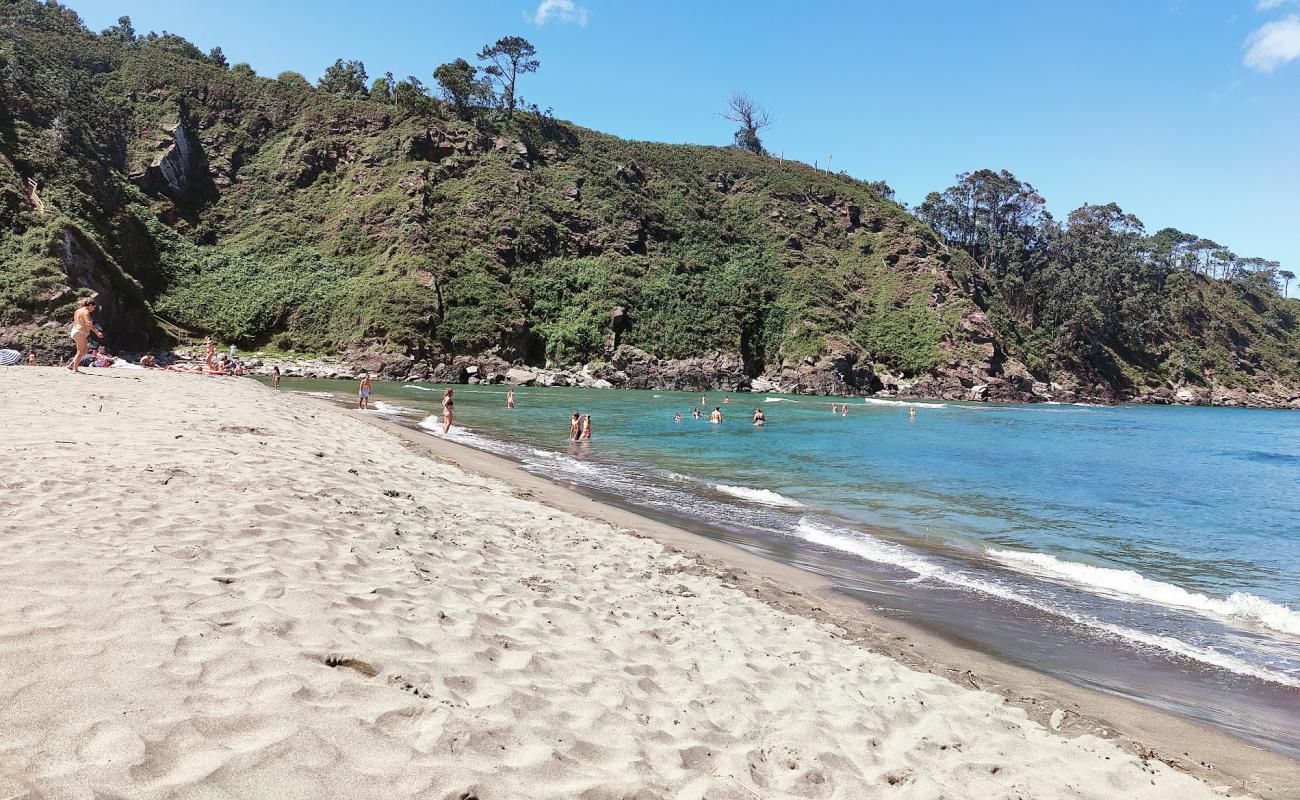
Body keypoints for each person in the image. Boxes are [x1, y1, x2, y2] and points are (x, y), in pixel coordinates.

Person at [67, 299, 103, 374]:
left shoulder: (77, 311)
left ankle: (72, 365)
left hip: (76, 331)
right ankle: (75, 369)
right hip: (80, 332)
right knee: (80, 351)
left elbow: (76, 321)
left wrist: (83, 323)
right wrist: (97, 332)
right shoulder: (86, 311)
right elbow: (89, 323)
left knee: (85, 350)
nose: (93, 309)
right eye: (93, 307)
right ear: (90, 305)